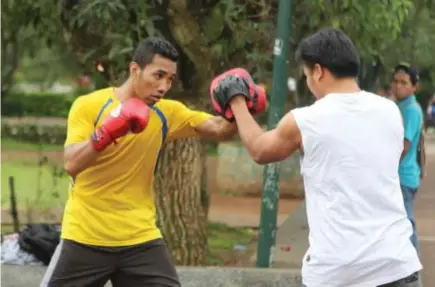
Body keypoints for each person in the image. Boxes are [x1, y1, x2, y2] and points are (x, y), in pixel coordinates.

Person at [40, 37, 265, 287]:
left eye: (169, 79)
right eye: (158, 75)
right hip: (85, 236)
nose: (163, 86)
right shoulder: (89, 106)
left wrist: (241, 105)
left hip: (139, 239)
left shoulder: (166, 112)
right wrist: (109, 131)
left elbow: (219, 128)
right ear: (134, 69)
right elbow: (72, 163)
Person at [211, 28, 422, 287]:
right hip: (397, 266)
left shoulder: (306, 120)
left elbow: (259, 148)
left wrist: (236, 99)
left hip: (337, 274)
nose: (309, 83)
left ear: (319, 71)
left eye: (307, 75)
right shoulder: (390, 111)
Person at [391, 63, 425, 251]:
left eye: (404, 82)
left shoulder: (411, 109)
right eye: (396, 81)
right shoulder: (399, 106)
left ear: (414, 87)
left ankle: (413, 268)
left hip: (403, 176)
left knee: (405, 221)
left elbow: (403, 147)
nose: (398, 86)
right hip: (400, 176)